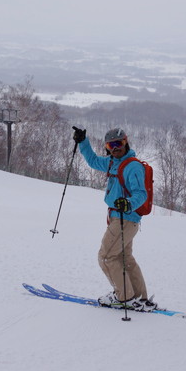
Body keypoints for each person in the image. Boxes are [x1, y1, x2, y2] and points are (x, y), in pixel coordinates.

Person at [73, 126, 157, 312]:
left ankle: (123, 296)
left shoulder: (132, 166)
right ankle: (139, 297)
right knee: (124, 258)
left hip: (124, 218)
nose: (115, 148)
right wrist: (83, 142)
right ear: (107, 148)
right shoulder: (113, 162)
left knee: (106, 257)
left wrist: (128, 203)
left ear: (126, 143)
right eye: (111, 145)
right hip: (121, 218)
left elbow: (141, 194)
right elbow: (94, 161)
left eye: (119, 143)